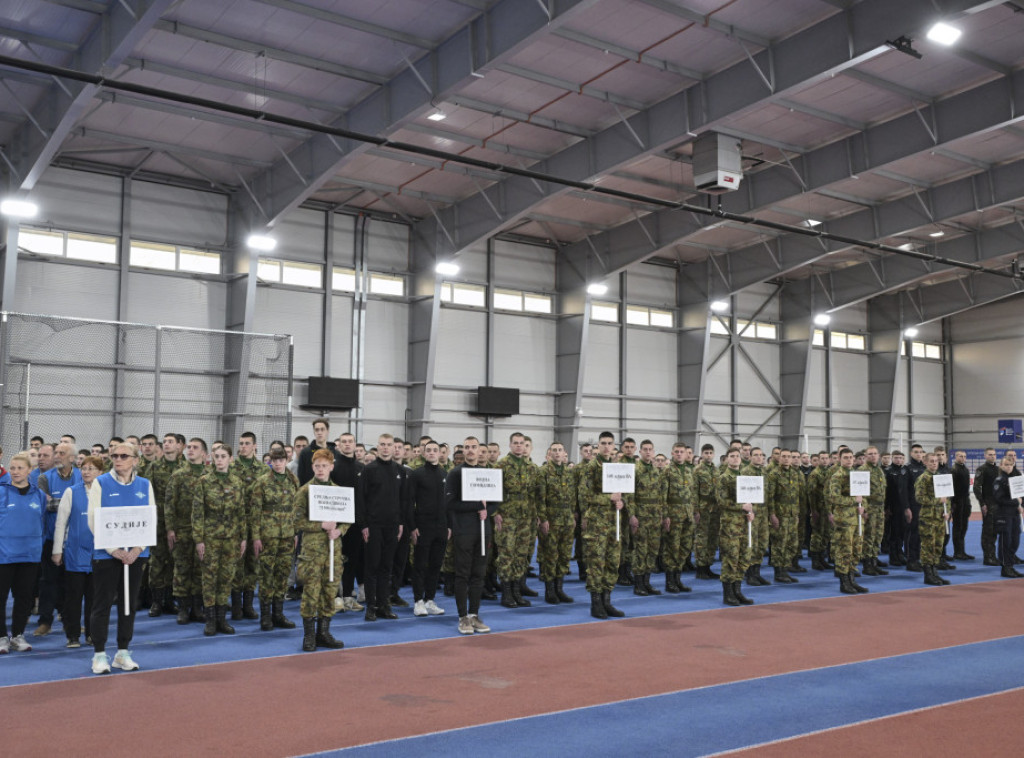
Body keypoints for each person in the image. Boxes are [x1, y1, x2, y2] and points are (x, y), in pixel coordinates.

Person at [89, 443, 156, 675]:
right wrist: (113, 549)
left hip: (135, 556)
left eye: (124, 456)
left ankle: (123, 652)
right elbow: (93, 520)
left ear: (135, 460)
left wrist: (137, 549)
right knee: (102, 604)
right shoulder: (100, 483)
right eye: (114, 456)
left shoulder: (145, 485)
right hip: (107, 555)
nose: (118, 459)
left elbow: (149, 519)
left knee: (128, 605)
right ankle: (99, 654)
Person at [293, 449, 346, 651]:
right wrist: (320, 526)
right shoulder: (305, 492)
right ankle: (308, 636)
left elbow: (347, 519)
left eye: (324, 465)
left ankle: (323, 633)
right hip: (312, 553)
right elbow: (296, 521)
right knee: (311, 593)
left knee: (329, 592)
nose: (321, 469)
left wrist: (339, 530)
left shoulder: (339, 492)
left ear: (331, 467)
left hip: (333, 552)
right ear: (312, 467)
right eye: (317, 466)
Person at [193, 445, 246, 636]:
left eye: (224, 456)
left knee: (226, 578)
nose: (220, 460)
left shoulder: (237, 482)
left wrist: (243, 538)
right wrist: (199, 540)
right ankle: (210, 620)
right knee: (209, 578)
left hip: (231, 538)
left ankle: (222, 619)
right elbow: (197, 513)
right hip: (210, 538)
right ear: (212, 459)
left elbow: (241, 511)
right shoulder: (204, 482)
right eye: (217, 456)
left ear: (231, 459)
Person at [444, 437, 493, 635]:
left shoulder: (488, 473)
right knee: (462, 573)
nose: (471, 450)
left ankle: (474, 614)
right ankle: (462, 616)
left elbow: (497, 499)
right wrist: (477, 506)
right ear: (463, 451)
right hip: (464, 530)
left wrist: (488, 511)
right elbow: (449, 503)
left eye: (474, 447)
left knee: (479, 574)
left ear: (480, 450)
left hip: (484, 530)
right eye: (467, 447)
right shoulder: (455, 473)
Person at [52, 456, 103, 648]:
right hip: (74, 553)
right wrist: (57, 550)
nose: (86, 472)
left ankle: (92, 634)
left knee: (94, 599)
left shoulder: (105, 493)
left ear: (100, 472)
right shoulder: (70, 492)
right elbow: (60, 523)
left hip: (99, 554)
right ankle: (72, 635)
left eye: (91, 468)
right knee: (73, 598)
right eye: (84, 468)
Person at [357, 434, 408, 622]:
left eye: (389, 445)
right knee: (372, 567)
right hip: (373, 526)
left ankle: (384, 606)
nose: (386, 448)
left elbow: (403, 500)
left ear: (394, 448)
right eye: (383, 445)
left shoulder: (400, 471)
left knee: (387, 567)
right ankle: (371, 606)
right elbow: (361, 500)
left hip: (393, 526)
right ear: (377, 447)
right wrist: (364, 525)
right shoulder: (369, 470)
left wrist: (401, 523)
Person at [0, 452, 47, 654]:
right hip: (4, 555)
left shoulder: (39, 495)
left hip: (30, 555)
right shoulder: (1, 492)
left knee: (24, 597)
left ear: (29, 470)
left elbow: (43, 523)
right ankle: (2, 637)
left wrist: (38, 545)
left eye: (20, 468)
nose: (15, 472)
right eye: (12, 468)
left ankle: (18, 635)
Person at [579, 432, 629, 620]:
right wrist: (608, 498)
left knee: (612, 561)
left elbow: (622, 494)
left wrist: (620, 502)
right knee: (596, 563)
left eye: (610, 443)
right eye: (603, 443)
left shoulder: (617, 467)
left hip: (613, 521)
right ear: (597, 446)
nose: (606, 446)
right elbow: (585, 495)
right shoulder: (591, 467)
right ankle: (596, 603)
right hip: (597, 523)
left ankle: (607, 600)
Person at [35, 441, 83, 636]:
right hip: (50, 538)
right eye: (56, 452)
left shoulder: (82, 475)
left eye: (62, 453)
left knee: (72, 584)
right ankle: (45, 621)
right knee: (48, 582)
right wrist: (71, 503)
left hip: (75, 539)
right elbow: (43, 505)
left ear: (72, 458)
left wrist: (60, 503)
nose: (57, 456)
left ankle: (70, 622)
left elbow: (85, 503)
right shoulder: (44, 478)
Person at [250, 448, 300, 631]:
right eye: (274, 460)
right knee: (266, 576)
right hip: (267, 537)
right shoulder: (262, 482)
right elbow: (255, 513)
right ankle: (265, 617)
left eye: (281, 460)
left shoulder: (293, 480)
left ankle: (278, 614)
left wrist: (295, 533)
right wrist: (256, 537)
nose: (278, 463)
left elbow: (296, 510)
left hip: (287, 536)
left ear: (286, 460)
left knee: (282, 575)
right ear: (270, 461)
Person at [165, 438, 209, 624]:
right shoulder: (178, 475)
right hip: (183, 529)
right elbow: (169, 504)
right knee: (182, 569)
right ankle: (183, 608)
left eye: (195, 447)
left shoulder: (210, 475)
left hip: (205, 531)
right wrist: (170, 529)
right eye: (189, 447)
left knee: (200, 569)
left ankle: (197, 608)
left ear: (204, 454)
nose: (190, 450)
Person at [496, 432, 540, 608]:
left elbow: (536, 494)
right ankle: (506, 593)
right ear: (510, 445)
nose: (519, 446)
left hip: (526, 517)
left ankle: (516, 590)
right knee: (507, 554)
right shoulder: (502, 465)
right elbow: (494, 492)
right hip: (507, 516)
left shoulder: (532, 467)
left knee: (521, 555)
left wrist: (537, 515)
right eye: (515, 443)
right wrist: (496, 513)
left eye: (522, 443)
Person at [409, 440, 448, 616]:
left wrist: (449, 526)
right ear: (424, 453)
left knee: (435, 565)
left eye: (435, 450)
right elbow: (408, 502)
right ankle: (418, 601)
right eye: (428, 450)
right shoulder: (417, 474)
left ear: (440, 453)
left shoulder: (444, 473)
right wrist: (412, 527)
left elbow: (449, 503)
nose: (432, 452)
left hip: (441, 527)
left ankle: (430, 599)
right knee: (420, 565)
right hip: (423, 526)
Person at [537, 442, 575, 604]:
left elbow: (572, 497)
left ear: (564, 452)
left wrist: (572, 515)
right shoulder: (544, 472)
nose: (557, 453)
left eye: (560, 450)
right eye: (554, 450)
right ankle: (549, 590)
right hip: (551, 520)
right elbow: (540, 498)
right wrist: (543, 519)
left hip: (566, 519)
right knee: (550, 555)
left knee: (564, 555)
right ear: (549, 454)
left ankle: (560, 588)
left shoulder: (568, 472)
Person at [827, 449, 869, 595]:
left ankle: (852, 580)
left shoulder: (857, 475)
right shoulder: (837, 476)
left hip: (857, 519)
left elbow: (863, 496)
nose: (849, 460)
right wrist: (854, 501)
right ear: (839, 459)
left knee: (856, 550)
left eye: (851, 457)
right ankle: (844, 582)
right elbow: (834, 498)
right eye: (846, 457)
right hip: (844, 519)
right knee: (844, 550)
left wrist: (864, 508)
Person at [717, 449, 755, 606]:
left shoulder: (744, 478)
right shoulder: (723, 478)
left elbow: (751, 500)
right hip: (730, 524)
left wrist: (751, 511)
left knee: (743, 558)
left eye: (737, 456)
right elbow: (721, 502)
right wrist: (741, 507)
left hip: (744, 523)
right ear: (727, 459)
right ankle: (728, 594)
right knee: (730, 558)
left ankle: (738, 591)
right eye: (732, 456)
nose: (735, 459)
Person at [915, 452, 951, 586]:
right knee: (928, 546)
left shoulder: (941, 477)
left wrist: (947, 511)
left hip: (940, 517)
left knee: (938, 546)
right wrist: (937, 500)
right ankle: (928, 574)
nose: (934, 463)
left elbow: (947, 498)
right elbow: (919, 498)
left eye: (936, 461)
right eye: (931, 461)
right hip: (928, 517)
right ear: (925, 462)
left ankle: (935, 572)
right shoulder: (923, 478)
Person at [991, 456, 1023, 578]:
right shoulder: (1000, 480)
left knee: (1015, 541)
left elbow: (1021, 496)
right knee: (1006, 541)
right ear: (1001, 466)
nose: (1008, 467)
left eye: (1010, 465)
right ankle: (1006, 567)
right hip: (1003, 515)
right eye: (1006, 465)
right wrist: (1016, 502)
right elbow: (999, 499)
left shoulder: (1015, 480)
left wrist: (1021, 505)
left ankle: (1010, 565)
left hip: (1014, 515)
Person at [973, 448, 1000, 565]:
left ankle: (993, 555)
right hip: (988, 504)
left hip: (999, 504)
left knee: (995, 531)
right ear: (985, 456)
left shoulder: (999, 469)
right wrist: (982, 503)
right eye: (990, 454)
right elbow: (976, 488)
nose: (993, 456)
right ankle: (987, 557)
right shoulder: (982, 469)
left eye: (994, 454)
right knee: (988, 531)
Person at [950, 450, 973, 561]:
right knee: (957, 526)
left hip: (965, 500)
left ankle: (962, 551)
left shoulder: (965, 469)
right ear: (955, 457)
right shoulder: (953, 470)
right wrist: (953, 503)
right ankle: (957, 552)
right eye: (960, 456)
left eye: (964, 456)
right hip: (957, 501)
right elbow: (952, 488)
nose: (963, 458)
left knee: (964, 526)